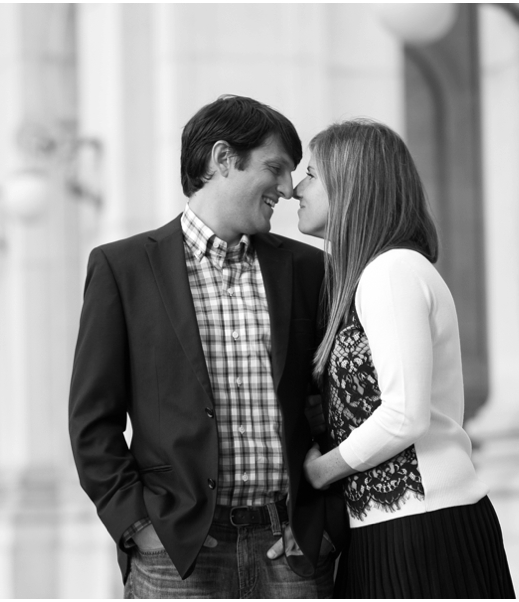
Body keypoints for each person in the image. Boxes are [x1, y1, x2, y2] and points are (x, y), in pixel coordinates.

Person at [68, 95, 347, 598]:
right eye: (276, 168)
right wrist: (139, 528)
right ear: (223, 159)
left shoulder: (310, 271)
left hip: (294, 554)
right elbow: (93, 421)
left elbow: (336, 405)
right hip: (176, 558)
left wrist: (324, 526)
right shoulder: (122, 268)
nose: (287, 189)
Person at [293, 118, 516, 598]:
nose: (295, 189)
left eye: (311, 174)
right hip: (388, 529)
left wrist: (318, 471)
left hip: (424, 534)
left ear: (351, 184)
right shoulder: (372, 276)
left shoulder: (392, 272)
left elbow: (404, 415)